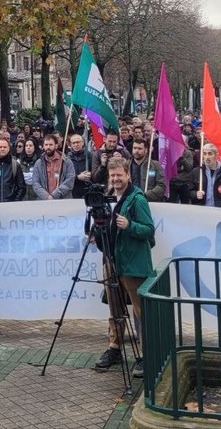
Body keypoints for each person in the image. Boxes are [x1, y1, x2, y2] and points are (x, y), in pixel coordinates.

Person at [93, 156, 154, 378]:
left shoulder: (137, 199)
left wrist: (130, 226)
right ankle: (115, 347)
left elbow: (148, 230)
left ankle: (147, 355)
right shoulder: (107, 199)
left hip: (134, 264)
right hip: (112, 261)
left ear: (128, 175)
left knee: (140, 311)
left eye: (119, 175)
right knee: (115, 309)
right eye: (113, 176)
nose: (116, 179)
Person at [29, 133, 75, 200]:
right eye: (46, 145)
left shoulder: (66, 162)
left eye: (50, 145)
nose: (48, 147)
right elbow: (35, 183)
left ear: (56, 146)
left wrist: (55, 195)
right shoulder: (38, 163)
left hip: (63, 201)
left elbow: (69, 181)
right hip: (44, 201)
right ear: (43, 146)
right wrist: (46, 197)